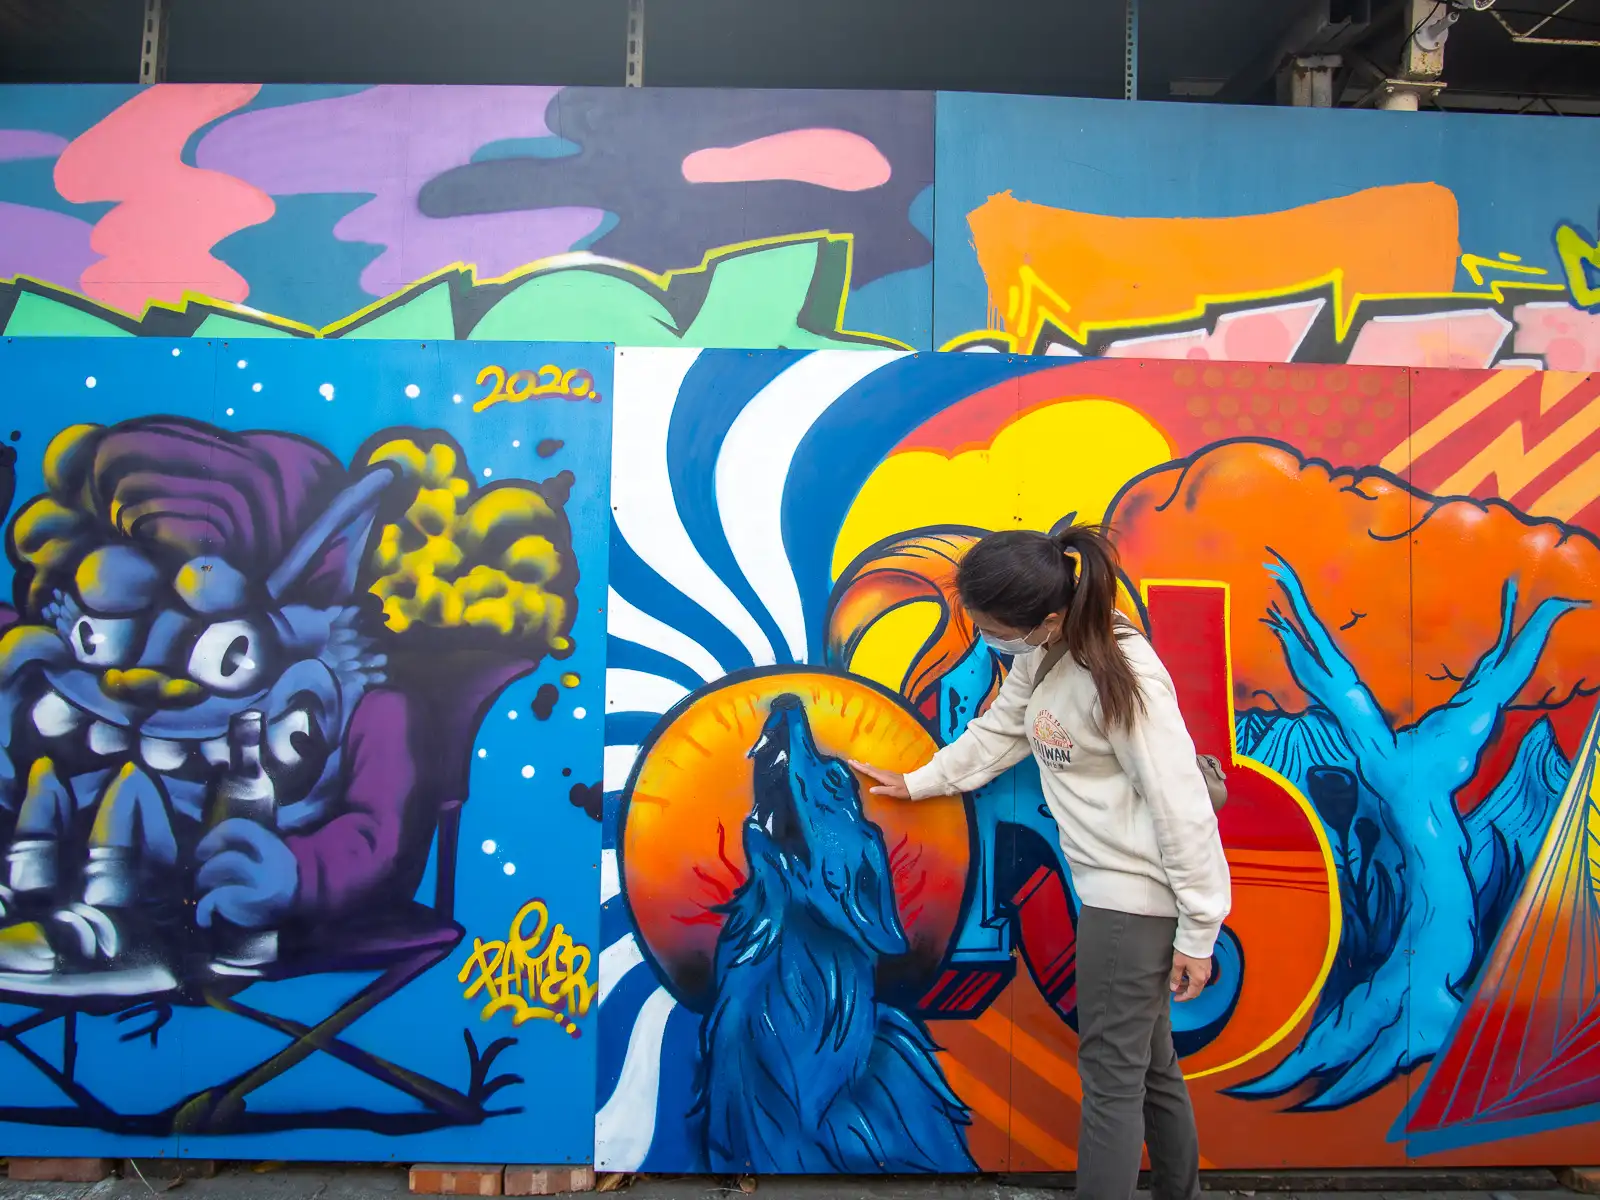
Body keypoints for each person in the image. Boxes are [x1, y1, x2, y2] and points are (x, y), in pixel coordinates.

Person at [851, 524, 1230, 1200]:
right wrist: (920, 781)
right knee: (1149, 1066)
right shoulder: (1046, 653)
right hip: (1114, 897)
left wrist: (1199, 933)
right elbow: (999, 730)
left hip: (1131, 906)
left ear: (1047, 617)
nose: (988, 637)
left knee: (1112, 1079)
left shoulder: (1123, 677)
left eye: (995, 626)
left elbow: (1183, 808)